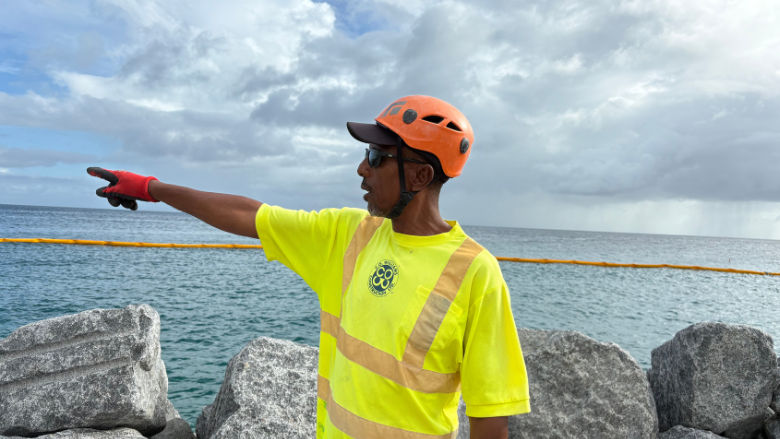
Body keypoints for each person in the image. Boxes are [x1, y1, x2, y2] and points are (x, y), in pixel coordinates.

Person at [88, 95, 530, 438]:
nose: (362, 169)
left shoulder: (474, 272)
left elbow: (491, 419)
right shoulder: (349, 234)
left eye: (377, 157)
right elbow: (250, 215)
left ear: (418, 176)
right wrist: (152, 188)